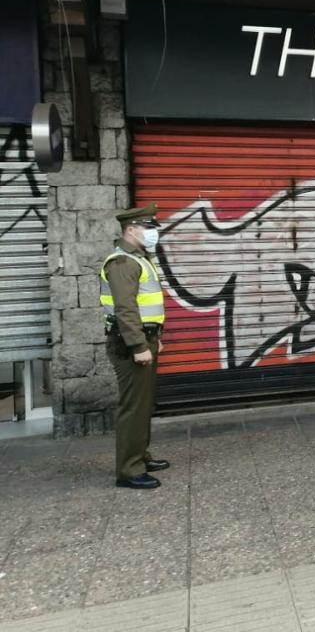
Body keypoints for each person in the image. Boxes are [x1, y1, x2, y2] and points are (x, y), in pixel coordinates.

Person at [99, 203, 169, 489]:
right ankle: (129, 470)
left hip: (144, 338)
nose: (153, 232)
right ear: (131, 230)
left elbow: (145, 306)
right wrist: (139, 346)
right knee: (133, 407)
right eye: (148, 227)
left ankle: (140, 456)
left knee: (143, 403)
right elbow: (125, 309)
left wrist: (154, 338)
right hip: (129, 344)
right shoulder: (122, 262)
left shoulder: (139, 258)